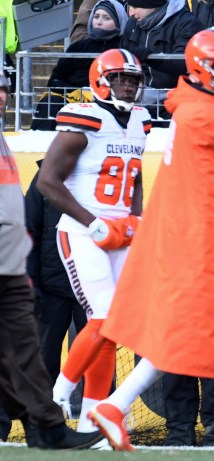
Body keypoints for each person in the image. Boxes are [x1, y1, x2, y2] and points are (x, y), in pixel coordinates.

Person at [85, 28, 214, 454]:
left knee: (207, 335)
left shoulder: (198, 107)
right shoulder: (204, 115)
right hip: (202, 243)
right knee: (198, 335)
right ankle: (113, 405)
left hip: (197, 239)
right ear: (204, 69)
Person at [36, 48, 149, 442]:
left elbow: (133, 180)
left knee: (112, 326)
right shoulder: (83, 119)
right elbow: (46, 182)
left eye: (134, 79)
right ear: (101, 79)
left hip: (120, 233)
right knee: (103, 316)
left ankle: (91, 422)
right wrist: (94, 221)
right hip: (82, 231)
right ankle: (55, 398)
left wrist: (136, 218)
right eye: (121, 77)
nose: (129, 85)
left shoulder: (140, 121)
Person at [0, 74, 104, 450]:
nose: (1, 98)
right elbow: (29, 222)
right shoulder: (48, 175)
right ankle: (43, 423)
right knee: (29, 356)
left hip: (34, 274)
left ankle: (60, 423)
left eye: (4, 91)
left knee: (32, 356)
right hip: (44, 282)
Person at [25, 161, 88, 383]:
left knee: (97, 359)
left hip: (92, 289)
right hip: (50, 289)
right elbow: (28, 231)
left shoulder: (106, 172)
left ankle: (99, 415)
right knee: (42, 360)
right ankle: (40, 417)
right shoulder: (46, 175)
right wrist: (31, 281)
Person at [32, 0, 128, 130]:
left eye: (106, 18)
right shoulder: (78, 46)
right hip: (73, 98)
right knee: (50, 102)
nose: (99, 21)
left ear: (118, 22)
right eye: (96, 16)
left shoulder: (124, 49)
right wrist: (75, 92)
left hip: (108, 100)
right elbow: (56, 79)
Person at [121, 0, 203, 121]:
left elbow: (185, 63)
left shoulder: (186, 23)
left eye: (136, 7)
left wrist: (153, 58)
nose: (130, 12)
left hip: (176, 99)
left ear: (152, 6)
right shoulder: (133, 23)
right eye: (129, 6)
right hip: (137, 97)